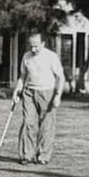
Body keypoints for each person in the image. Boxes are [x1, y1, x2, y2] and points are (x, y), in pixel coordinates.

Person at [12, 32, 65, 165]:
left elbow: (61, 77)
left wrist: (57, 95)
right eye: (31, 46)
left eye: (36, 46)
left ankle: (42, 156)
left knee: (46, 126)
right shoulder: (26, 57)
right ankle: (26, 155)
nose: (33, 49)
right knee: (27, 122)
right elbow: (23, 77)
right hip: (29, 92)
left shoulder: (51, 57)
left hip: (47, 93)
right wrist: (16, 91)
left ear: (43, 44)